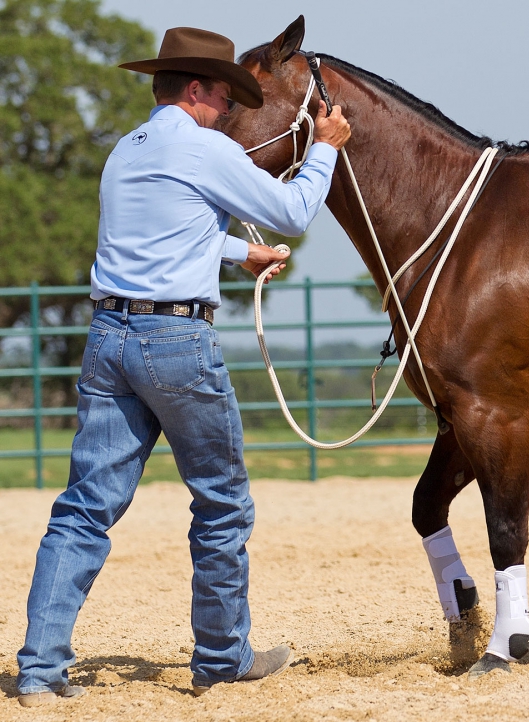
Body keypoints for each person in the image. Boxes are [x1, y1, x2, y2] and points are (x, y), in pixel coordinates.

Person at [15, 26, 350, 707]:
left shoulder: (126, 151)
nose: (229, 111)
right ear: (196, 89)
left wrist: (235, 254)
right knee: (222, 502)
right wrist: (325, 151)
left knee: (83, 509)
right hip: (175, 341)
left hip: (109, 335)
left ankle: (39, 672)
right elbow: (291, 211)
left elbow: (165, 228)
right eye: (224, 97)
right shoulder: (203, 147)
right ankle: (223, 659)